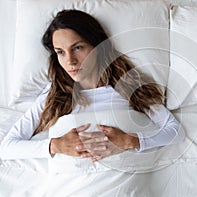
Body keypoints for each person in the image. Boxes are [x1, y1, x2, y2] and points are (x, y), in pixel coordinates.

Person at [0, 9, 184, 162]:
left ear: (97, 45)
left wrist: (130, 141)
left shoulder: (127, 86)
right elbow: (7, 147)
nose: (70, 61)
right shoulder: (54, 94)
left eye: (78, 48)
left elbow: (175, 131)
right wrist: (55, 145)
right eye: (60, 52)